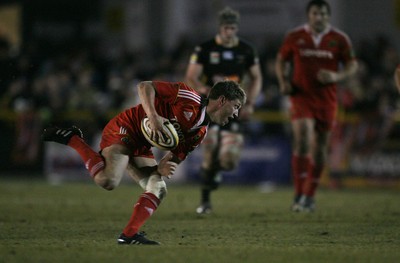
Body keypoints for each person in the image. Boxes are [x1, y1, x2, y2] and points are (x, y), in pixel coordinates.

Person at [42, 80, 246, 245]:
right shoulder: (189, 98)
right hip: (126, 128)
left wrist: (162, 167)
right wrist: (153, 116)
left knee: (158, 187)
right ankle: (73, 140)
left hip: (142, 145)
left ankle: (128, 235)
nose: (236, 114)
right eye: (235, 107)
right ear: (221, 100)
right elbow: (144, 86)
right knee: (108, 181)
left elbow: (171, 160)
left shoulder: (199, 133)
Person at [275, 0, 358, 212]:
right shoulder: (295, 36)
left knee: (320, 148)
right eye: (314, 13)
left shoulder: (339, 39)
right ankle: (298, 193)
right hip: (301, 96)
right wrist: (284, 82)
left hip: (327, 100)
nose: (318, 17)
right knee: (302, 136)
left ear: (327, 16)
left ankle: (309, 195)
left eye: (322, 13)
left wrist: (336, 75)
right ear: (308, 15)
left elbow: (352, 64)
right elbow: (281, 61)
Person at [185, 6, 262, 214]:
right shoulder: (205, 49)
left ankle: (216, 172)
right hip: (212, 109)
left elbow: (257, 77)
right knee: (209, 152)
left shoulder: (247, 50)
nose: (230, 32)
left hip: (233, 110)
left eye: (233, 28)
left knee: (228, 161)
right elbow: (191, 76)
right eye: (226, 28)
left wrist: (251, 102)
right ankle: (205, 201)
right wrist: (204, 89)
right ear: (220, 28)